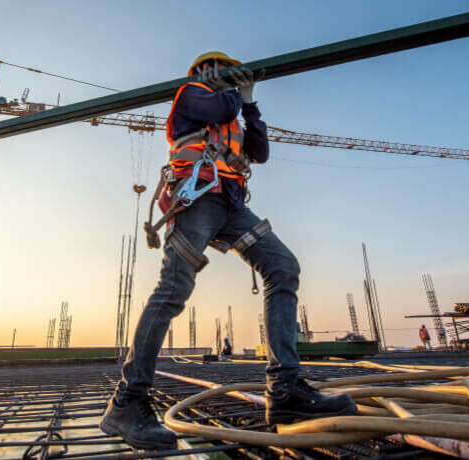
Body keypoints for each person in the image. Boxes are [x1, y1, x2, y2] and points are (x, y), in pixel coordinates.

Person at [100, 51, 356, 450]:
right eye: (217, 68)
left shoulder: (234, 112)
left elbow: (261, 152)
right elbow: (221, 103)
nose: (225, 76)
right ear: (203, 71)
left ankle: (285, 390)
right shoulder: (191, 95)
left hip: (231, 204)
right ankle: (127, 403)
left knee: (282, 266)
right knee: (172, 292)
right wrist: (236, 91)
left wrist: (252, 103)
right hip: (197, 199)